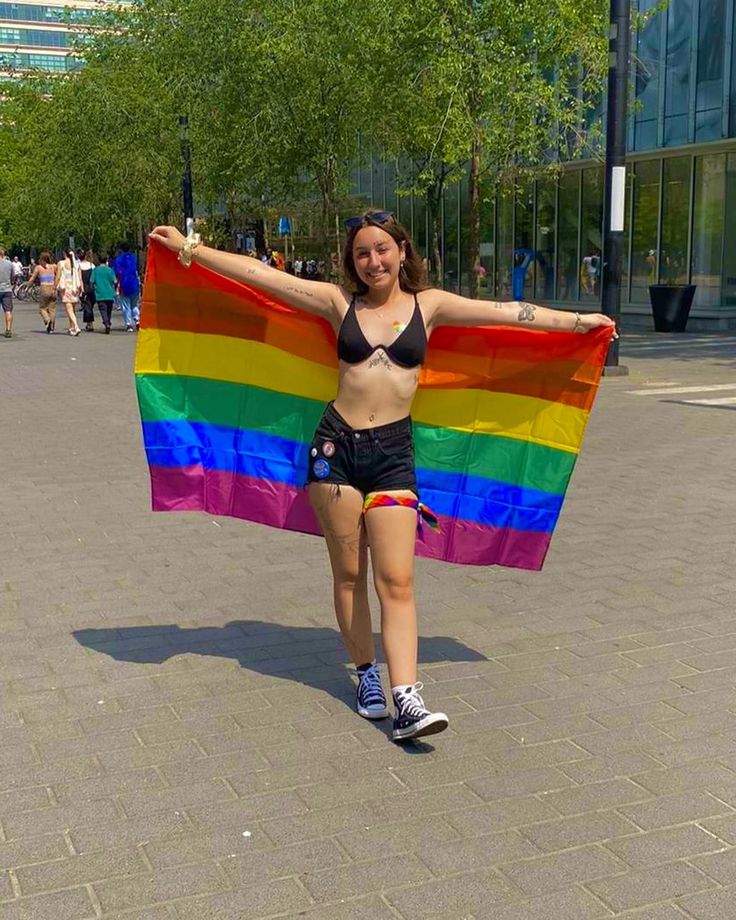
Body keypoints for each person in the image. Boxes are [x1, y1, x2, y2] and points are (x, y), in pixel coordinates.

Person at [149, 210, 616, 742]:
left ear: (401, 251)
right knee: (349, 576)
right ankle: (366, 675)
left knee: (397, 580)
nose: (373, 261)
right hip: (335, 453)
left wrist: (579, 323)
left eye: (382, 249)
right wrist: (191, 250)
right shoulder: (336, 302)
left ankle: (408, 699)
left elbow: (506, 312)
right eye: (362, 253)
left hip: (394, 455)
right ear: (353, 261)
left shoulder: (430, 306)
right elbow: (263, 276)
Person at [113, 242, 141, 331]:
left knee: (126, 306)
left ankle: (129, 324)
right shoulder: (134, 258)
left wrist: (116, 283)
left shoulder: (118, 260)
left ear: (121, 249)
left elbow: (117, 272)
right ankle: (137, 319)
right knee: (134, 304)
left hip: (124, 284)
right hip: (134, 283)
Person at [55, 250, 83, 335]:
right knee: (72, 309)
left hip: (66, 288)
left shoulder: (61, 263)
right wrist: (81, 288)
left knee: (69, 310)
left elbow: (58, 276)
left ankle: (76, 326)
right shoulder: (77, 264)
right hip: (75, 288)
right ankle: (71, 327)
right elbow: (80, 278)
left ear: (64, 254)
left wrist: (54, 286)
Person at [28, 251, 57, 332]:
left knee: (42, 308)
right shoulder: (53, 266)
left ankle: (47, 320)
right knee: (52, 308)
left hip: (44, 288)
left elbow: (32, 279)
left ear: (42, 259)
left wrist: (28, 286)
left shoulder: (39, 267)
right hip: (53, 288)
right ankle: (52, 325)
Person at [90, 254, 118, 334]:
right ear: (106, 260)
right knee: (109, 310)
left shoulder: (95, 270)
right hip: (110, 293)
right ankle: (108, 322)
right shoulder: (110, 270)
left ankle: (106, 323)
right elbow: (115, 281)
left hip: (100, 294)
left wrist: (93, 290)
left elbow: (91, 281)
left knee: (103, 310)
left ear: (99, 260)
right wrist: (114, 288)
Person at [78, 249, 96, 331]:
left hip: (83, 287)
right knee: (90, 305)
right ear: (85, 256)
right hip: (92, 287)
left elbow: (79, 278)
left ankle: (90, 323)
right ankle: (89, 323)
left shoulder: (78, 266)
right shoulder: (91, 265)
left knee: (86, 305)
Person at [0, 249, 14, 338]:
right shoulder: (9, 264)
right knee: (8, 311)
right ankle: (8, 329)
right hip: (7, 289)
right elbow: (12, 275)